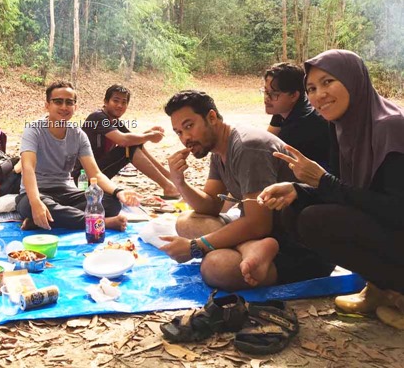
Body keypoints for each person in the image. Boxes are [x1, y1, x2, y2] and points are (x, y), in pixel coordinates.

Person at [258, 50, 404, 330]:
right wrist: (298, 189)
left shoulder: (392, 127)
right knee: (295, 210)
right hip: (389, 229)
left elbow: (397, 210)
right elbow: (348, 189)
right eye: (311, 88)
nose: (319, 94)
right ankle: (382, 288)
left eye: (328, 82)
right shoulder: (341, 127)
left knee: (318, 220)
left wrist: (322, 181)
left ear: (354, 80)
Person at [159, 90, 334, 291]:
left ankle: (256, 251)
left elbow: (258, 224)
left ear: (212, 117)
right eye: (179, 132)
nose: (186, 138)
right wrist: (179, 182)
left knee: (216, 267)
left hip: (299, 248)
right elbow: (210, 205)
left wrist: (195, 247)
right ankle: (249, 248)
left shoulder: (248, 147)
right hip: (263, 236)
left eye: (189, 126)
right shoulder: (218, 149)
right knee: (186, 222)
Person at [17, 81, 139, 231]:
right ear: (47, 105)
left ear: (75, 107)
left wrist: (118, 191)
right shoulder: (34, 130)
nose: (63, 107)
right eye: (58, 101)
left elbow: (95, 173)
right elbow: (27, 167)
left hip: (66, 192)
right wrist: (36, 203)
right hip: (36, 193)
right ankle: (101, 223)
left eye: (69, 102)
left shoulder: (78, 135)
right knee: (31, 206)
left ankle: (46, 220)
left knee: (111, 202)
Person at [74, 84, 179, 198]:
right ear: (106, 101)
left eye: (124, 102)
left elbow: (134, 141)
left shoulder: (115, 122)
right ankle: (168, 187)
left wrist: (148, 134)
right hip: (82, 178)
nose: (120, 105)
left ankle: (169, 182)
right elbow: (124, 140)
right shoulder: (97, 117)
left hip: (98, 175)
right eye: (116, 101)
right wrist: (149, 137)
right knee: (129, 148)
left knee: (133, 145)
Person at [263, 62, 330, 170]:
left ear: (294, 95)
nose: (267, 98)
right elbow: (267, 140)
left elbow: (269, 156)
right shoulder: (284, 108)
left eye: (274, 93)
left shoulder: (299, 125)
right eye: (266, 91)